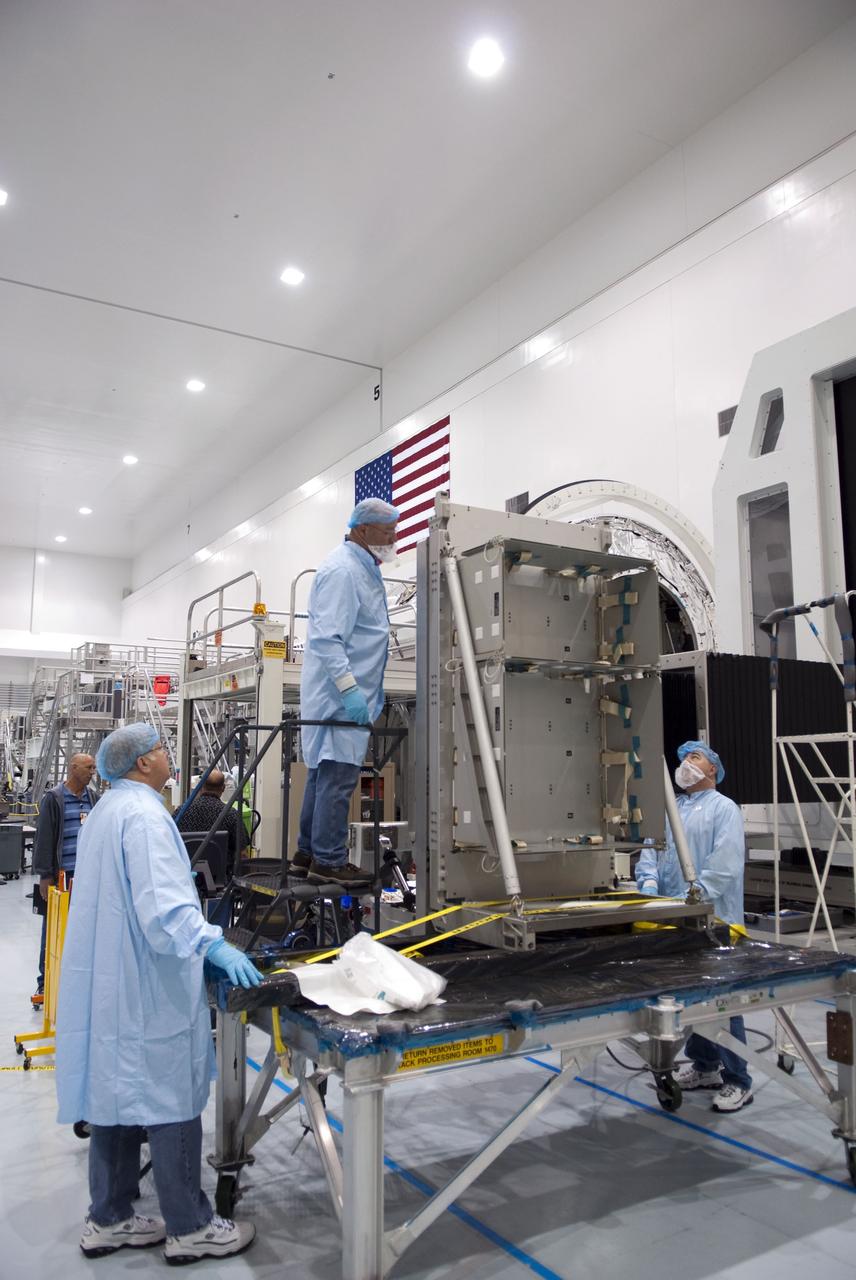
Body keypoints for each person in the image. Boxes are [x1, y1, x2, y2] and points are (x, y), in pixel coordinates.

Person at [55, 723, 263, 1262]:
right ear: (143, 764)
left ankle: (110, 1217)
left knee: (115, 1097)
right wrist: (212, 946)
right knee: (169, 1096)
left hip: (112, 984)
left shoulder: (106, 811)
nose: (171, 756)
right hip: (148, 985)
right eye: (163, 749)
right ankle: (190, 1226)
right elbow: (166, 907)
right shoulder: (145, 817)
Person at [636, 740, 752, 1112]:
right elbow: (651, 849)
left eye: (695, 757)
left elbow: (726, 862)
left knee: (723, 999)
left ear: (713, 768)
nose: (685, 763)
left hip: (716, 918)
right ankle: (705, 1066)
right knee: (689, 995)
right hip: (674, 918)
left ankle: (739, 1080)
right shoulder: (670, 809)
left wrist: (698, 893)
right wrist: (649, 886)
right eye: (683, 758)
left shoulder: (724, 809)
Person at [292, 497, 399, 887]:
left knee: (322, 776)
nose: (394, 540)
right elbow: (327, 638)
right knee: (337, 778)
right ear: (363, 529)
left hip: (344, 693)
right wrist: (351, 690)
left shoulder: (361, 567)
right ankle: (330, 859)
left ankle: (306, 855)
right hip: (340, 697)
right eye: (388, 533)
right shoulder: (342, 570)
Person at [31, 753, 98, 1004]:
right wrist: (44, 876)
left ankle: (75, 983)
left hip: (87, 878)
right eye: (88, 767)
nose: (92, 771)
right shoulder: (55, 798)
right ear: (73, 768)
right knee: (53, 932)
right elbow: (44, 838)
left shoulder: (93, 798)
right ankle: (44, 984)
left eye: (93, 767)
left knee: (83, 932)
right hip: (62, 877)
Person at [176, 768, 250, 876]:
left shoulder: (180, 813)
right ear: (223, 788)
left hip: (186, 878)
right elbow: (242, 855)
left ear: (200, 786)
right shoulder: (231, 815)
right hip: (221, 881)